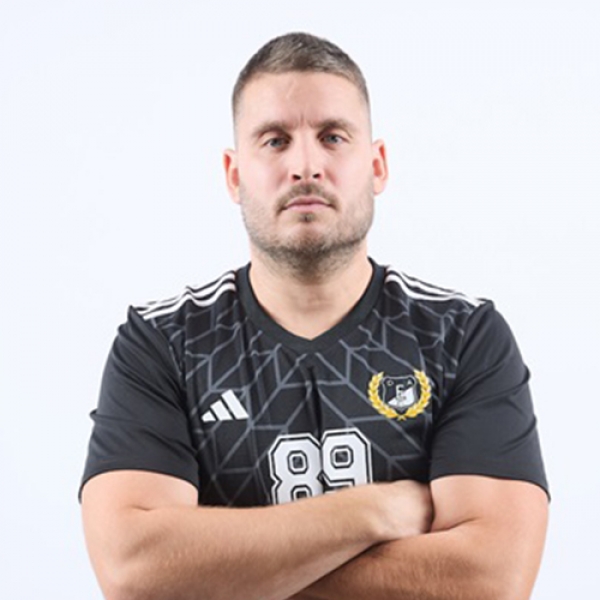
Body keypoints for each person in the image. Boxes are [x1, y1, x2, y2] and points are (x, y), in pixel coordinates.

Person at [80, 32, 549, 600]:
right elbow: (134, 572)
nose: (305, 166)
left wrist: (226, 571)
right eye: (275, 141)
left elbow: (491, 580)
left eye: (332, 137)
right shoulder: (162, 343)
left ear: (376, 165)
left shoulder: (462, 336)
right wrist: (372, 511)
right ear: (234, 175)